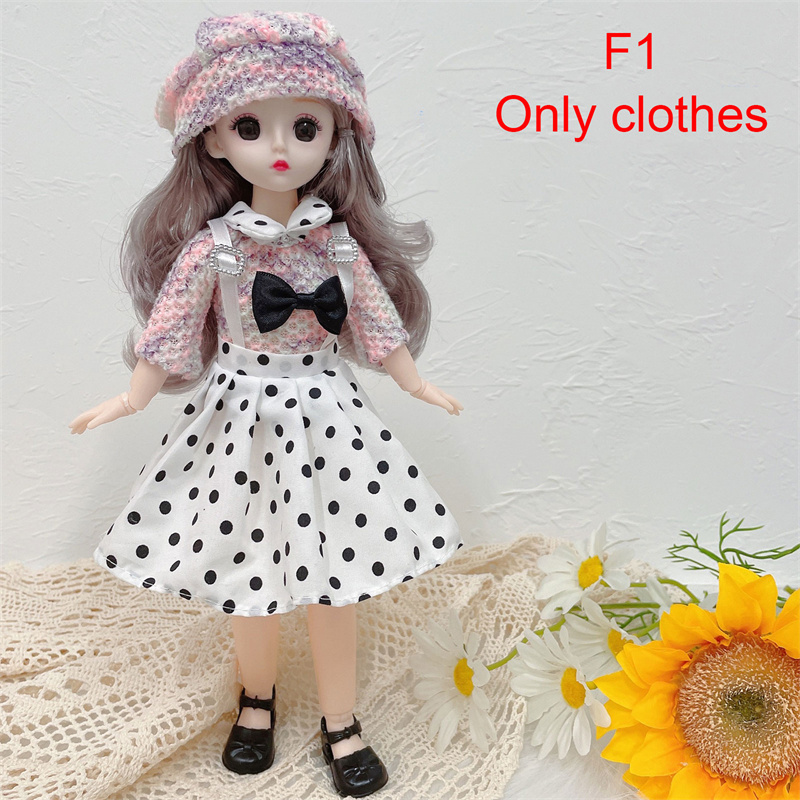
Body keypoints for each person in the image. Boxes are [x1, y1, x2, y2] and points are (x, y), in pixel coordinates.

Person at [69, 11, 463, 797]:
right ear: (214, 140)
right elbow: (171, 331)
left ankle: (341, 721)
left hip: (328, 419)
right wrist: (131, 397)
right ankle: (257, 702)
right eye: (250, 126)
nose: (280, 147)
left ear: (336, 137)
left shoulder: (339, 247)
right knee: (250, 570)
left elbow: (376, 322)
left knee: (337, 581)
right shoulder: (213, 250)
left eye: (305, 126)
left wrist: (414, 382)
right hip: (238, 421)